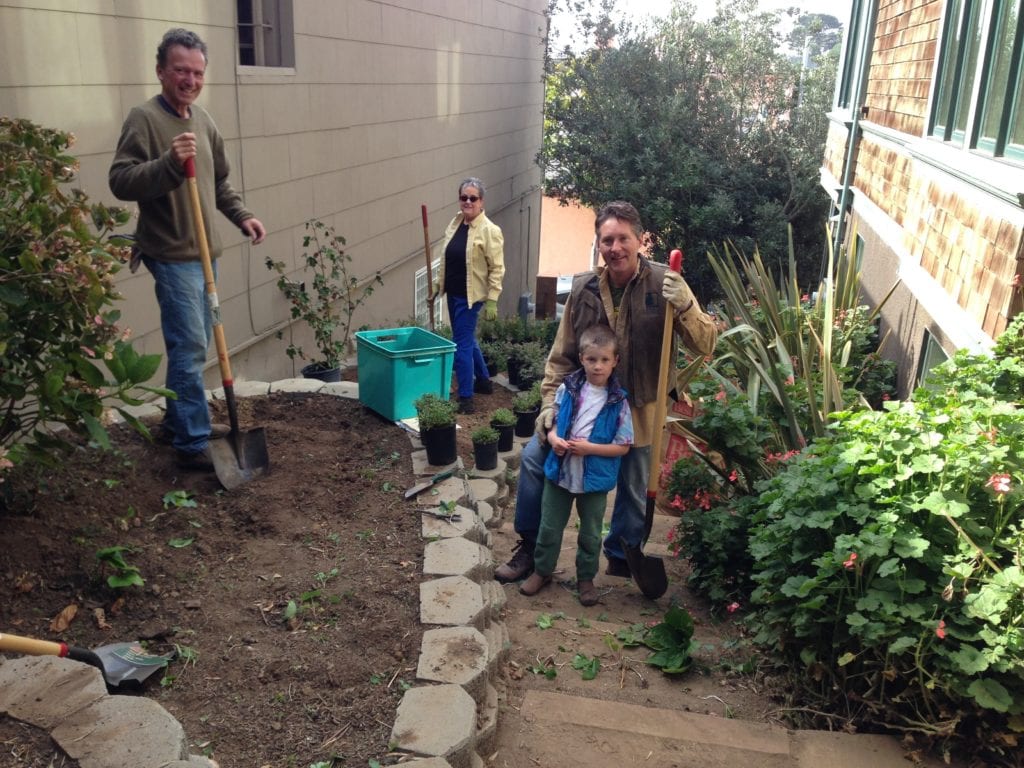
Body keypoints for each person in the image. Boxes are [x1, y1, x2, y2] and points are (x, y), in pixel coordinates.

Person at [495, 201, 717, 583]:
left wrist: (684, 306)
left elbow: (706, 344)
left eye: (623, 239)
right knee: (534, 459)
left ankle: (620, 554)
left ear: (641, 240)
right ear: (599, 243)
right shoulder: (582, 289)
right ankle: (531, 547)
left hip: (639, 405)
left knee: (633, 485)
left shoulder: (666, 284)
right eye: (607, 239)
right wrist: (549, 406)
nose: (615, 247)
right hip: (582, 405)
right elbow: (561, 356)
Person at [109, 28, 266, 471]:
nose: (190, 79)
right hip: (172, 254)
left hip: (206, 253)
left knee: (199, 338)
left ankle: (179, 420)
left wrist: (241, 216)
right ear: (161, 71)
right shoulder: (143, 119)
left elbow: (218, 183)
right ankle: (192, 443)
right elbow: (121, 181)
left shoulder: (205, 120)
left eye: (197, 72)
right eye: (181, 70)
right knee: (192, 345)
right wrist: (169, 164)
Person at [518, 325, 633, 606]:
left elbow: (624, 445)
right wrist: (555, 438)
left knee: (591, 532)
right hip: (560, 473)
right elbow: (554, 419)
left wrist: (589, 449)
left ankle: (586, 578)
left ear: (615, 361)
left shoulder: (619, 402)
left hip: (594, 479)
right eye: (592, 359)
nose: (598, 366)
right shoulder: (568, 389)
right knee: (549, 527)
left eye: (605, 360)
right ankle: (542, 571)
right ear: (581, 358)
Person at [431, 178, 504, 414]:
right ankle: (483, 381)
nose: (468, 202)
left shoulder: (490, 231)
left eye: (473, 198)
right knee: (466, 338)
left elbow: (497, 267)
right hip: (452, 292)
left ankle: (466, 399)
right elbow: (447, 259)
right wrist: (436, 285)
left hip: (469, 297)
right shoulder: (456, 223)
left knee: (460, 344)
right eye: (464, 197)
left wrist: (492, 298)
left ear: (481, 201)